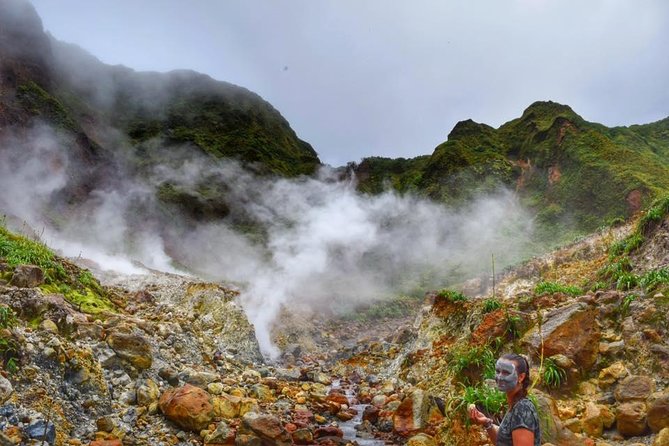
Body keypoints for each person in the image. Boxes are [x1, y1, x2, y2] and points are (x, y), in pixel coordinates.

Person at [468, 353, 541, 446]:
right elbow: (502, 443)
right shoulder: (515, 405)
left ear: (521, 377)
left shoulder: (523, 409)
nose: (499, 377)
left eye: (506, 373)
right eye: (498, 371)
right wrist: (487, 423)